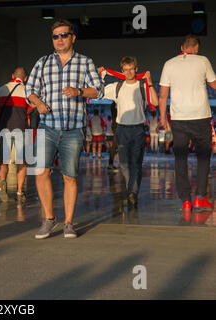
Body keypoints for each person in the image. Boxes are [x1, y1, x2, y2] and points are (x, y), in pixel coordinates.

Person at [26, 19, 103, 239]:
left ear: (73, 37)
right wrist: (38, 103)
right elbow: (30, 89)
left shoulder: (84, 62)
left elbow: (99, 90)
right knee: (41, 172)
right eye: (55, 36)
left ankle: (69, 223)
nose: (59, 39)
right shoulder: (43, 62)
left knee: (70, 176)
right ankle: (49, 218)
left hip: (73, 129)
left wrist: (79, 91)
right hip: (47, 126)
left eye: (64, 35)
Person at [159, 34, 216, 211]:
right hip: (200, 117)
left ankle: (185, 201)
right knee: (203, 157)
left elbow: (163, 95)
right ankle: (199, 197)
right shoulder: (203, 61)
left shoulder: (169, 64)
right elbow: (214, 85)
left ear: (182, 48)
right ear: (196, 48)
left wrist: (163, 119)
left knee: (181, 159)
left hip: (178, 119)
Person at [98, 56, 159, 208]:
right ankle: (131, 191)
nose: (129, 72)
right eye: (125, 70)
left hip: (138, 129)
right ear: (122, 71)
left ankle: (132, 193)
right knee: (124, 164)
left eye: (131, 69)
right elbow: (98, 93)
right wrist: (100, 76)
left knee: (136, 164)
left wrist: (150, 82)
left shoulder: (142, 86)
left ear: (136, 69)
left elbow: (156, 102)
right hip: (122, 129)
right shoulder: (117, 86)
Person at [0, 67, 29, 203]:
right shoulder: (27, 91)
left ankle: (3, 184)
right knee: (22, 161)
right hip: (21, 130)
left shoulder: (2, 89)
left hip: (4, 129)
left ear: (12, 75)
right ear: (25, 78)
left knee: (3, 160)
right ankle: (20, 192)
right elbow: (30, 116)